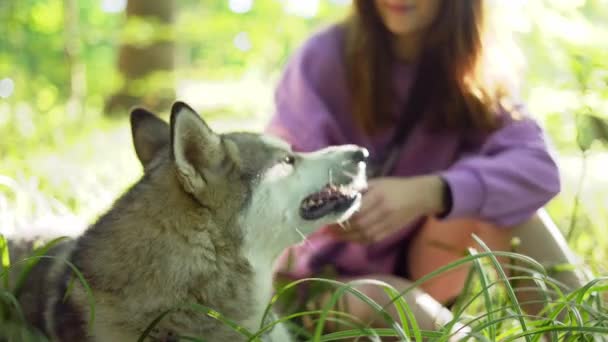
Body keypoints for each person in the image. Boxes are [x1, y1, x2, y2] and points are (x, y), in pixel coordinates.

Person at [265, 0, 561, 336]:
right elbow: (278, 176)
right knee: (380, 297)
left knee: (516, 207)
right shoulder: (322, 59)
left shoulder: (473, 71)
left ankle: (581, 330)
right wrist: (334, 212)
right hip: (321, 284)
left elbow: (540, 166)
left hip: (421, 265)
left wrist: (430, 192)